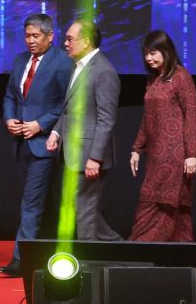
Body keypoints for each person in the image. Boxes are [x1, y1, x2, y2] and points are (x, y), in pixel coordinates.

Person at [0, 13, 73, 278]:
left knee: (31, 204)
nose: (30, 40)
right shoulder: (20, 60)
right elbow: (10, 95)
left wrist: (40, 124)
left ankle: (21, 260)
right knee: (39, 203)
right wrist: (9, 119)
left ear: (50, 36)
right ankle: (43, 253)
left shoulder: (63, 63)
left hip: (45, 146)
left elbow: (67, 103)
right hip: (21, 144)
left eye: (36, 36)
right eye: (27, 36)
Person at [45, 18, 123, 241]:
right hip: (72, 152)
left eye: (70, 39)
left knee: (85, 211)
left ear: (86, 41)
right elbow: (70, 110)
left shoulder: (104, 71)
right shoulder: (78, 67)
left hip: (88, 156)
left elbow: (106, 119)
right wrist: (56, 132)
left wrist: (95, 158)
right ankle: (116, 245)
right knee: (80, 207)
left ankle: (88, 258)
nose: (65, 43)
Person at [128, 29, 196, 241]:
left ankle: (144, 251)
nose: (149, 58)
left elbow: (191, 115)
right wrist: (136, 149)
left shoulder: (181, 76)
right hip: (155, 157)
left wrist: (191, 154)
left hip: (175, 156)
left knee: (169, 207)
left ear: (166, 51)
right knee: (158, 206)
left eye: (153, 53)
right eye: (146, 54)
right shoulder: (153, 80)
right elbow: (147, 118)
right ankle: (175, 254)